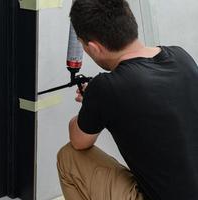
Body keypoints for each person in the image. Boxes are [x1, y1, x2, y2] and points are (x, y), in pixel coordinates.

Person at [56, 0, 198, 199]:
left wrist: (92, 104)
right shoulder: (181, 56)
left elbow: (79, 141)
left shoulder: (106, 87)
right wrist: (98, 101)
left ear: (94, 48)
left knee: (68, 157)